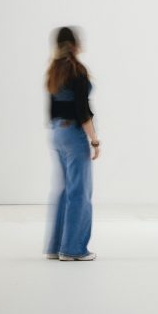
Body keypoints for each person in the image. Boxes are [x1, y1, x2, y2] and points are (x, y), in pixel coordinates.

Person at [44, 26, 100, 261]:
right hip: (73, 133)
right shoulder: (77, 70)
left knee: (65, 190)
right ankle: (73, 249)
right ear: (75, 44)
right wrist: (94, 140)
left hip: (57, 133)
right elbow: (82, 110)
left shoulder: (54, 70)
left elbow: (53, 108)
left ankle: (55, 247)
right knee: (80, 192)